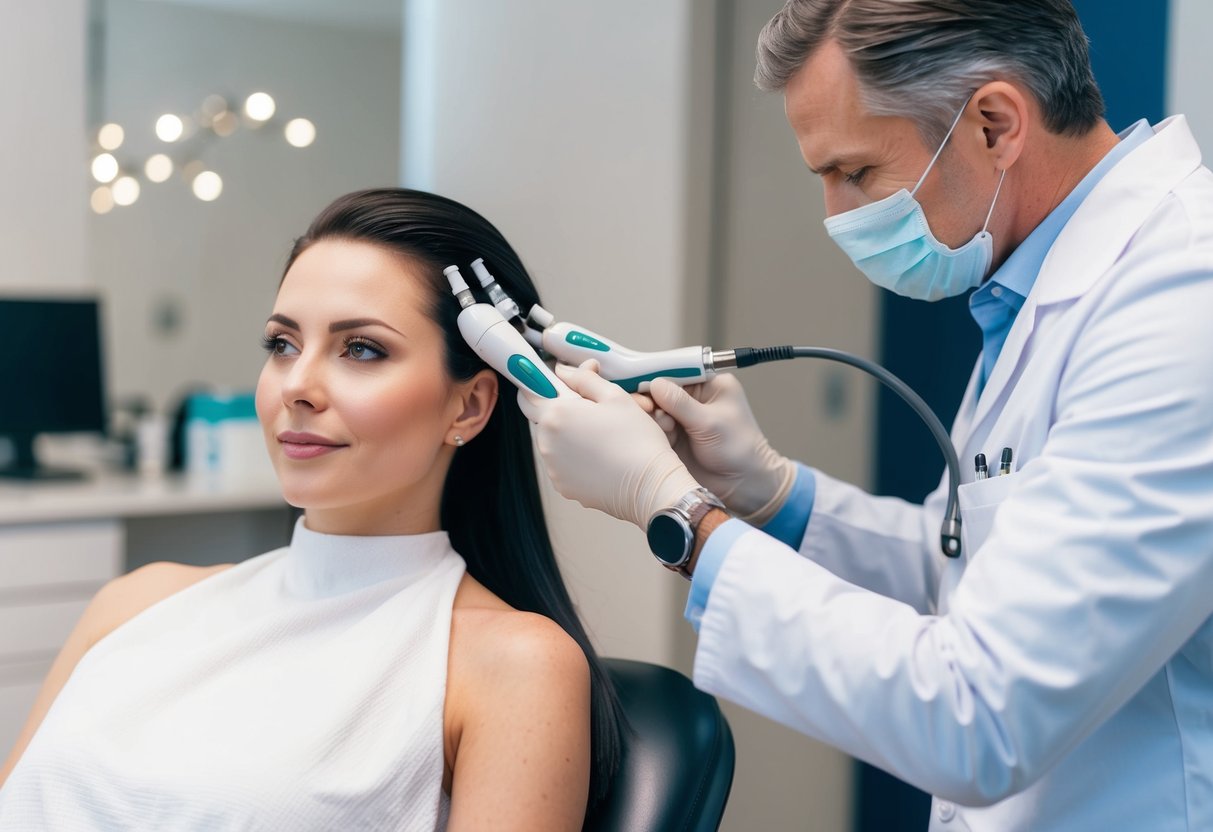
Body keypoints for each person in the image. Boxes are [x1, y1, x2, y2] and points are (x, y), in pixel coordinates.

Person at [519, 1, 1213, 829]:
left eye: (855, 173)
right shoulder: (1031, 290)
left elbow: (980, 718)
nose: (835, 215)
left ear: (994, 124)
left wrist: (676, 513)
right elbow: (965, 575)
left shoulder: (1179, 298)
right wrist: (770, 494)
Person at [0, 188, 624, 830]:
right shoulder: (135, 605)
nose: (297, 385)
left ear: (468, 406)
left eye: (361, 349)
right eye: (283, 344)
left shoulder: (513, 665)